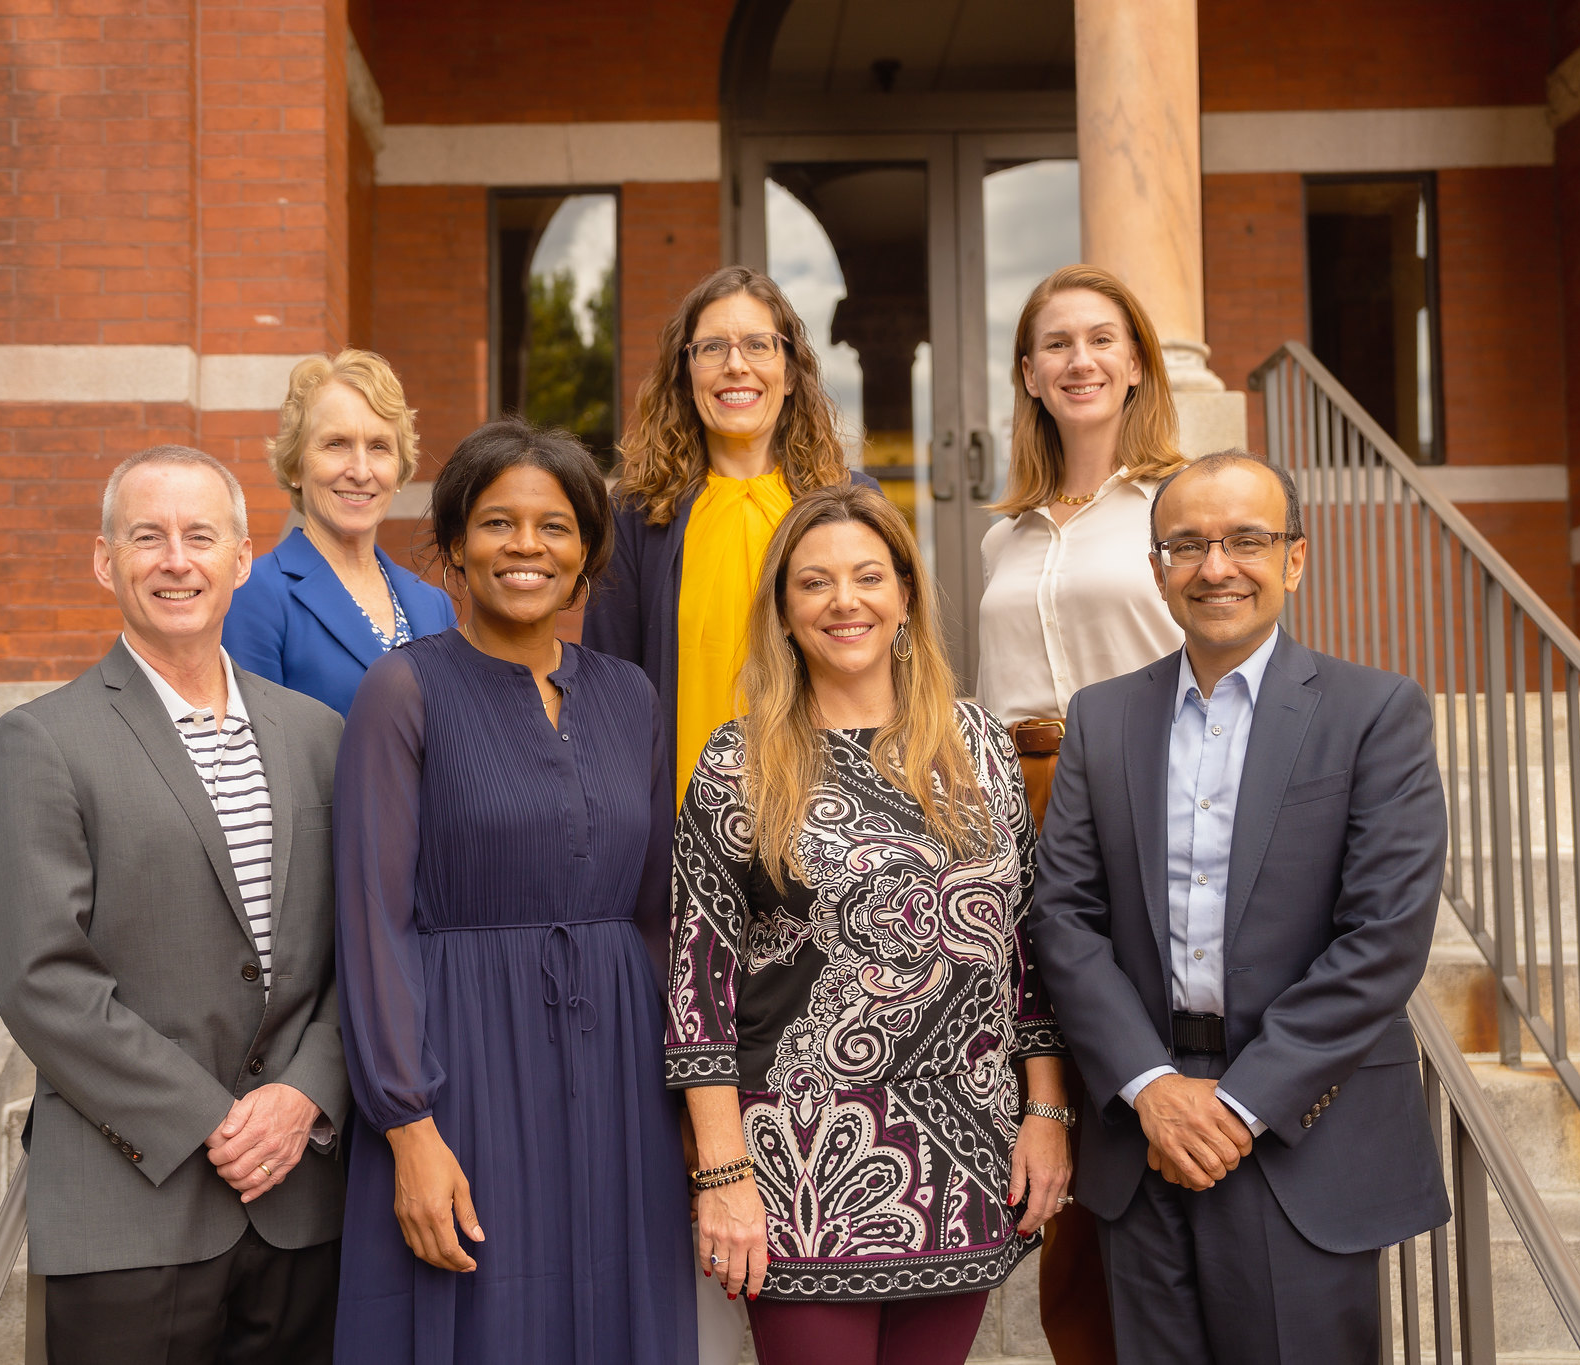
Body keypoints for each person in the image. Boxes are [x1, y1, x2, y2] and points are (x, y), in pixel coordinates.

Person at [1030, 452, 1450, 1364]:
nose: (1216, 566)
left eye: (1247, 540)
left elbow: (1382, 938)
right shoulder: (1101, 719)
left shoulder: (1375, 712)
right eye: (1188, 544)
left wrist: (1239, 1105)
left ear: (1294, 558)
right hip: (1140, 1133)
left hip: (1299, 1126)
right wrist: (1151, 1087)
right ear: (1157, 570)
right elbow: (1062, 916)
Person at [666, 484, 1073, 1365]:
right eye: (813, 582)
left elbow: (1026, 956)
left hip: (968, 1151)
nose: (843, 601)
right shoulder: (738, 761)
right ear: (782, 610)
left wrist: (1047, 1111)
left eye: (866, 576)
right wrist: (723, 1172)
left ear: (905, 597)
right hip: (804, 1169)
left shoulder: (980, 746)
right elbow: (697, 993)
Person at [331, 418, 696, 1365]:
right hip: (463, 1068)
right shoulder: (401, 690)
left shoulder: (630, 696)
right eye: (498, 523)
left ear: (586, 557)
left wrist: (688, 1102)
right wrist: (408, 1126)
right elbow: (372, 924)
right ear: (454, 548)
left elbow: (660, 912)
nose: (527, 545)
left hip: (620, 1069)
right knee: (484, 1325)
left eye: (556, 526)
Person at [0, 445, 350, 1363]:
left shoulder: (319, 735)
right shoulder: (44, 742)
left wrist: (306, 1094)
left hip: (301, 1201)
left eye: (199, 536)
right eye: (148, 537)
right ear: (107, 561)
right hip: (127, 1206)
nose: (175, 559)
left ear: (241, 557)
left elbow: (365, 952)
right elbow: (42, 978)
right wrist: (209, 1118)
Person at [973, 264, 1189, 1362]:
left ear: (1138, 362)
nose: (1079, 360)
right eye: (1055, 344)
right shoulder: (999, 535)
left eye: (1102, 339)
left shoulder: (1176, 507)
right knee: (1046, 1058)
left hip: (1142, 799)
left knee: (1135, 1055)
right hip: (1018, 805)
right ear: (1027, 374)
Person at [584, 265, 876, 807]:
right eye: (712, 348)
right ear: (685, 373)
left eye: (758, 345)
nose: (735, 365)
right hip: (683, 822)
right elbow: (608, 689)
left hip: (835, 818)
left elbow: (897, 658)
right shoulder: (635, 513)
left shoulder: (851, 502)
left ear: (789, 372)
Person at [225, 349, 456, 713]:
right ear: (296, 466)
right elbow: (258, 754)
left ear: (399, 471)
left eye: (379, 447)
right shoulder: (254, 592)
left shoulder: (435, 605)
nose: (361, 471)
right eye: (337, 444)